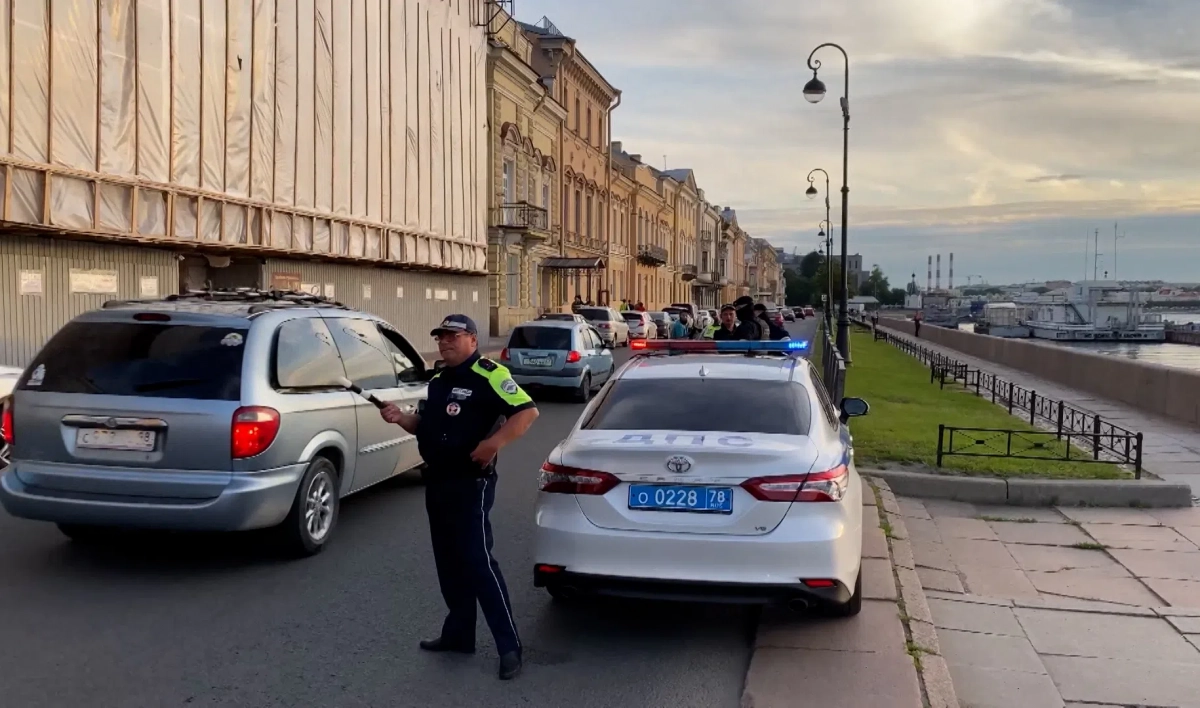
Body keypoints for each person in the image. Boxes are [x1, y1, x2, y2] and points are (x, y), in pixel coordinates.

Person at [379, 314, 539, 681]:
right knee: (449, 562)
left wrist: (493, 444)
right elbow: (427, 425)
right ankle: (459, 634)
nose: (444, 343)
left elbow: (527, 412)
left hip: (471, 483)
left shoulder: (489, 373)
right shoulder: (438, 380)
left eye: (452, 336)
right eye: (440, 338)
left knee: (478, 562)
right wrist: (400, 419)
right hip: (437, 481)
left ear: (471, 338)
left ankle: (509, 645)